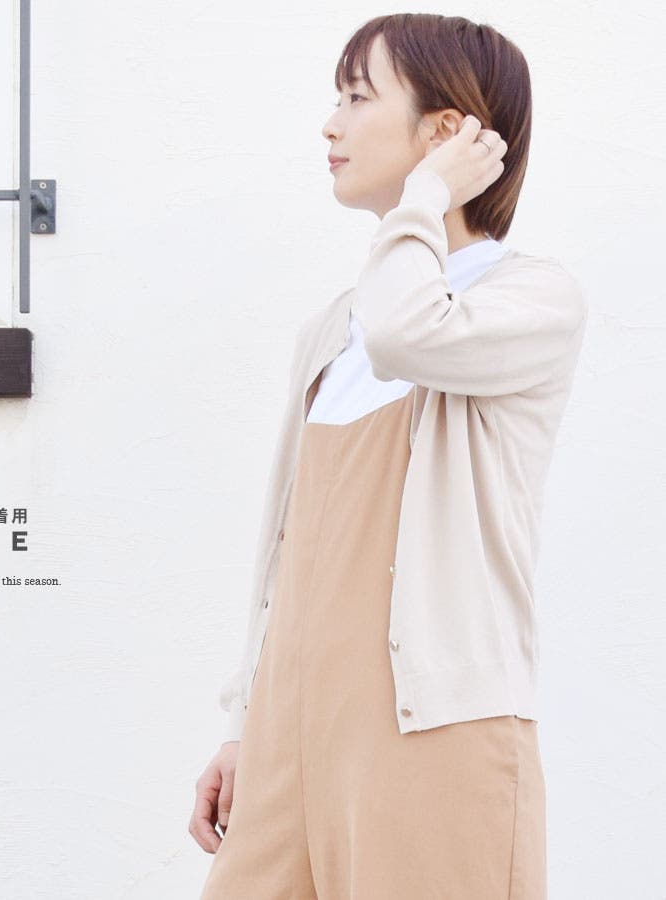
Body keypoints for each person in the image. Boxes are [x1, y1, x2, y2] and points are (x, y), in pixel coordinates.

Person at [190, 13, 587, 898]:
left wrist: (424, 200)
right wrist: (246, 721)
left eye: (357, 98)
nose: (330, 125)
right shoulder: (336, 327)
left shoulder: (532, 298)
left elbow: (411, 333)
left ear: (445, 132)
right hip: (292, 736)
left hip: (431, 734)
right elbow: (289, 550)